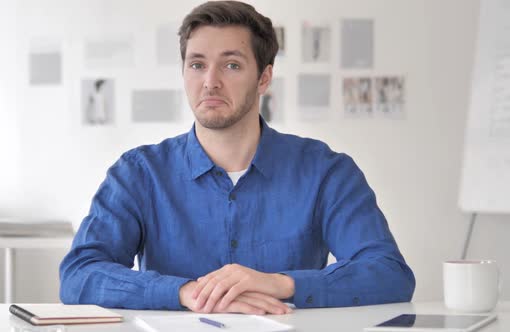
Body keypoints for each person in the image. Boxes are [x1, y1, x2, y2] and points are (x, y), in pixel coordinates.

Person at [59, 0, 415, 315]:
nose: (210, 82)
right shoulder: (138, 173)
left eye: (231, 65)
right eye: (197, 65)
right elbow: (79, 274)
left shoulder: (326, 171)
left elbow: (388, 273)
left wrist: (280, 283)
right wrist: (188, 293)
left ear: (264, 78)